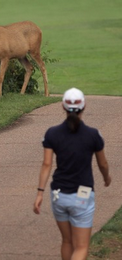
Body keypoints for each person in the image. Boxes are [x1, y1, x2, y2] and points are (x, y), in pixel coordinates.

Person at [33, 88, 111, 260]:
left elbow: (47, 164)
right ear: (84, 106)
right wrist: (106, 178)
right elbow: (102, 164)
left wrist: (40, 193)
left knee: (67, 241)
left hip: (59, 196)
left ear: (63, 106)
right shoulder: (93, 135)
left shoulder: (52, 133)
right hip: (82, 195)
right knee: (82, 247)